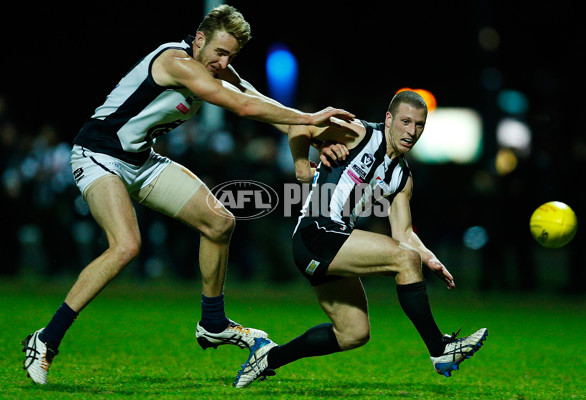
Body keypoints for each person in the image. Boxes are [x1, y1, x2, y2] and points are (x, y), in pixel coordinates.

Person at [22, 4, 354, 385]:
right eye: (219, 52)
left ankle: (212, 322)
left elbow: (259, 99)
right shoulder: (176, 63)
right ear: (199, 39)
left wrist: (314, 137)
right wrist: (311, 118)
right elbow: (244, 108)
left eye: (231, 55)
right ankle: (46, 339)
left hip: (140, 160)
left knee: (219, 221)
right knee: (126, 245)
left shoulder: (215, 65)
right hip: (98, 155)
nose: (224, 61)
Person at [232, 90, 488, 388]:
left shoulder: (402, 176)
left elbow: (403, 233)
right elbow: (300, 123)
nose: (411, 131)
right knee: (403, 259)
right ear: (389, 119)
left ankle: (268, 357)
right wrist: (302, 164)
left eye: (419, 125)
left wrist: (428, 257)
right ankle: (440, 349)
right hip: (316, 233)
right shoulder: (360, 132)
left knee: (354, 333)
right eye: (405, 121)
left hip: (333, 245)